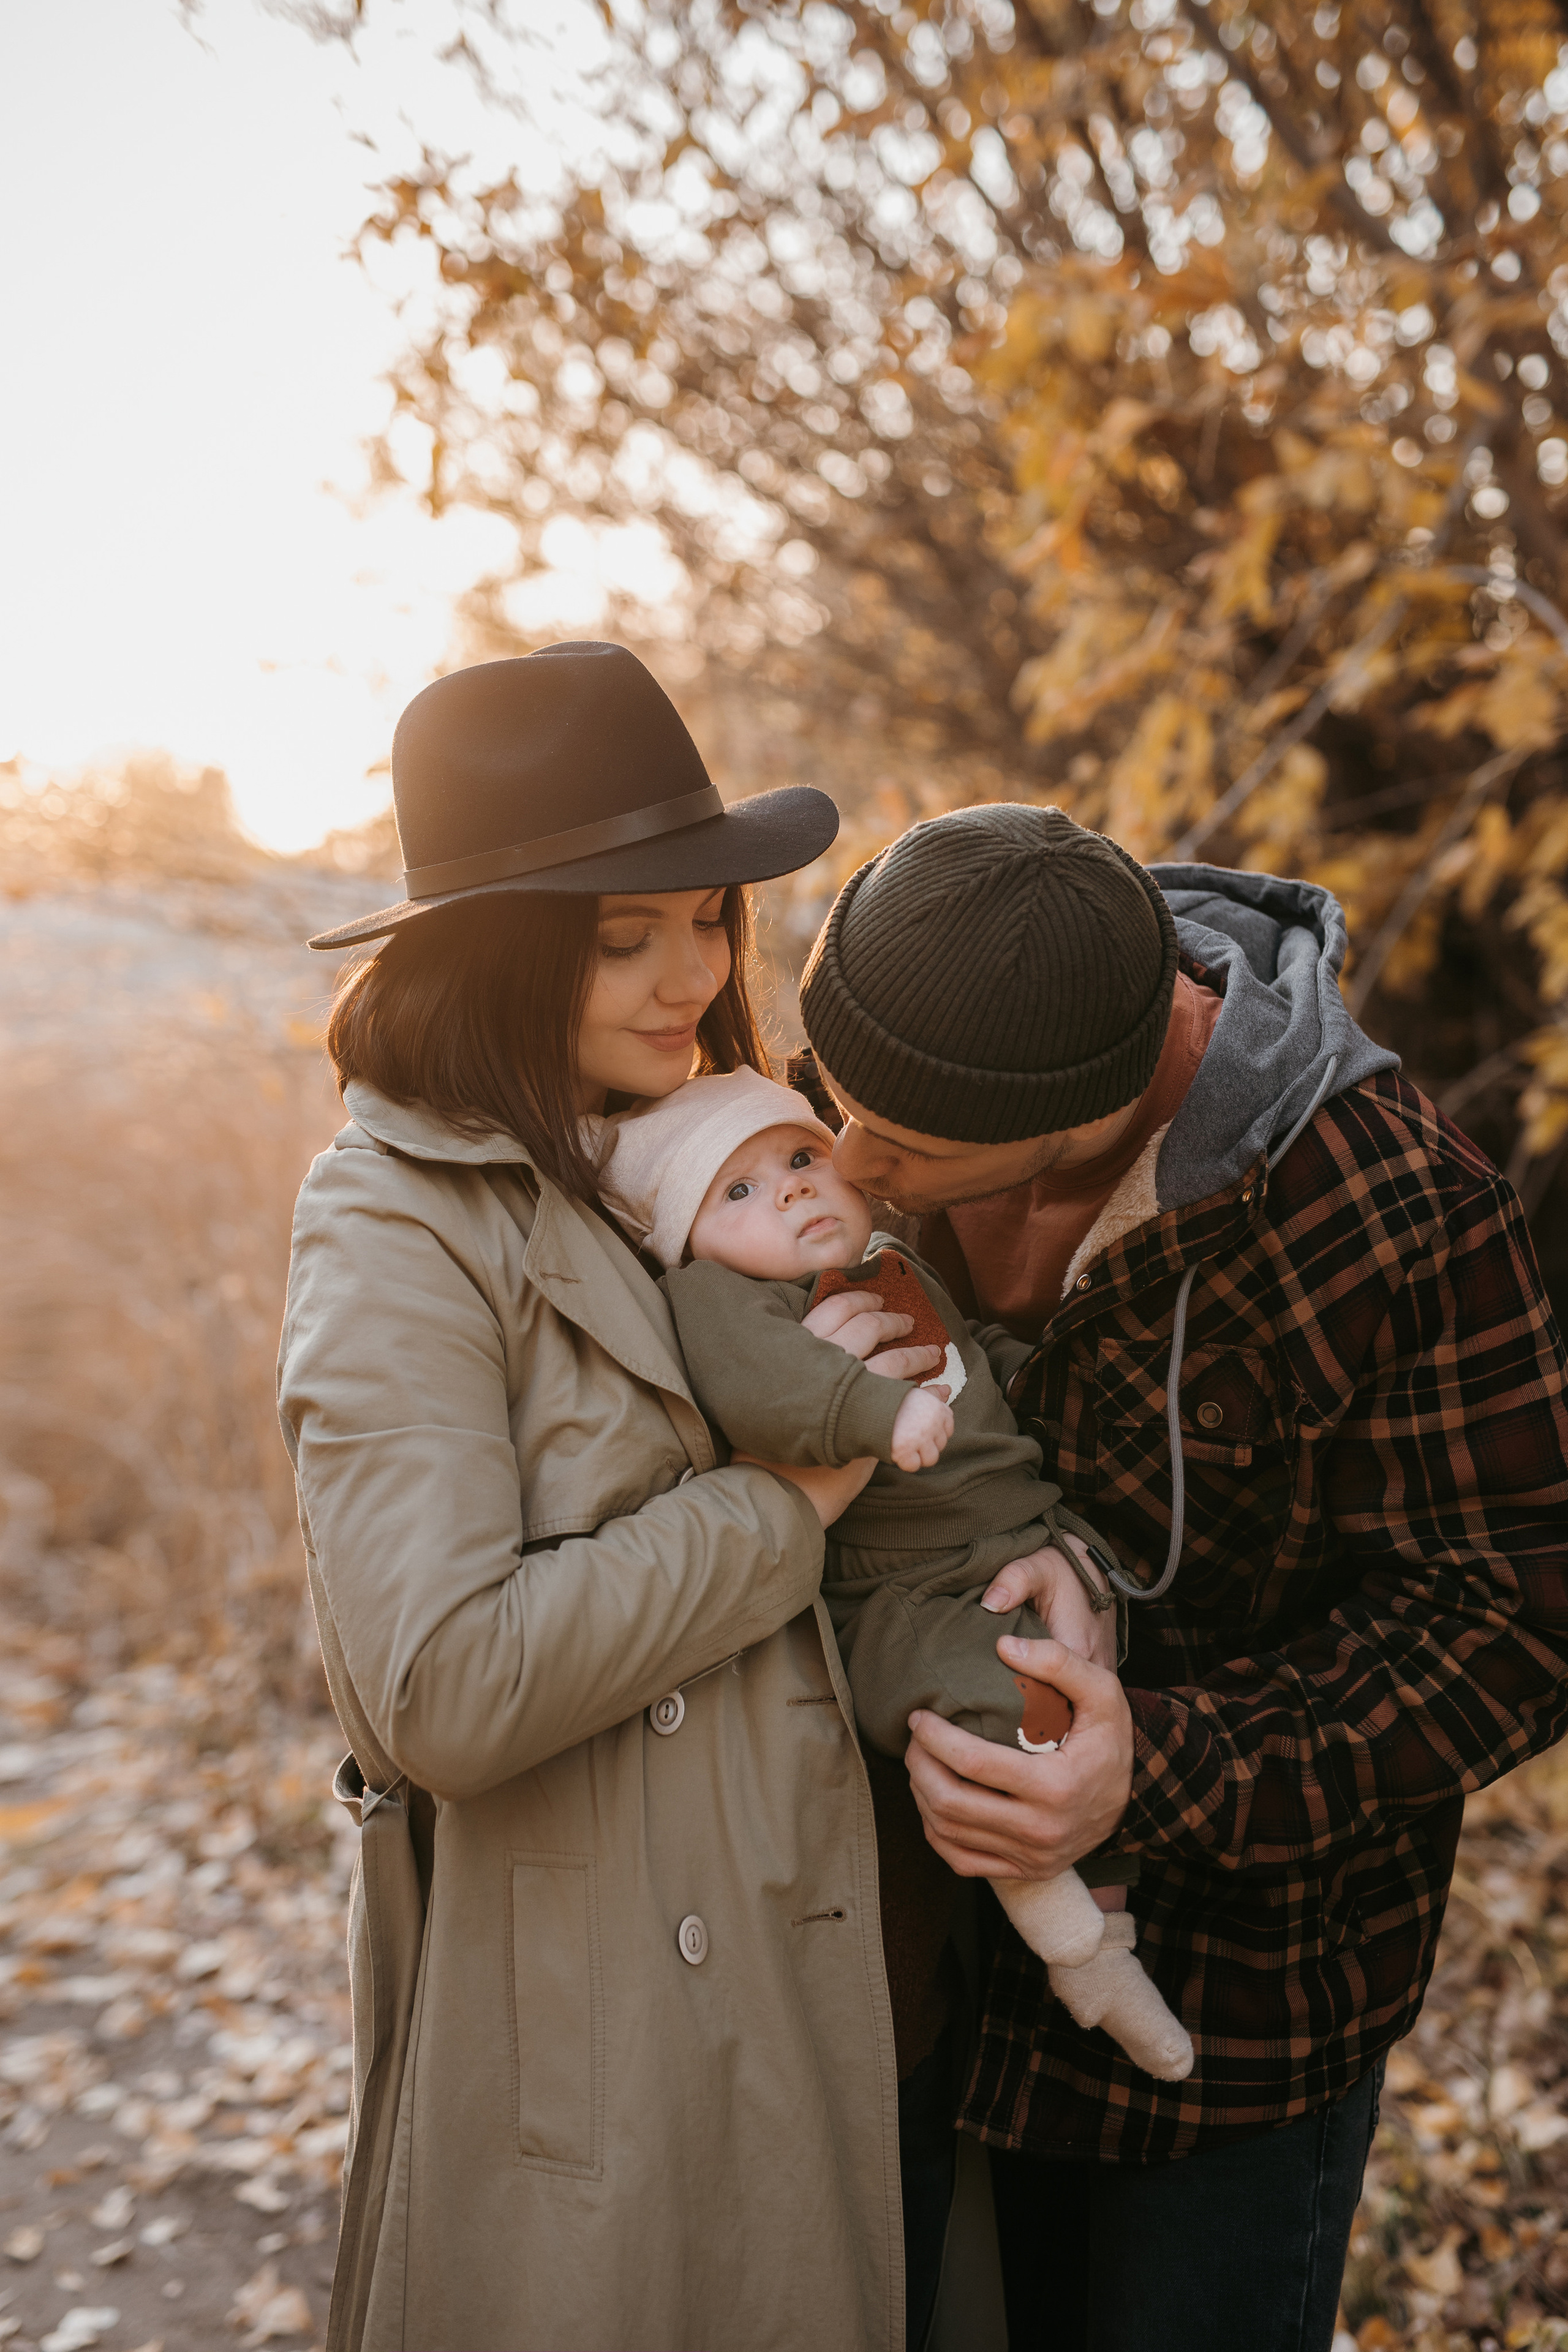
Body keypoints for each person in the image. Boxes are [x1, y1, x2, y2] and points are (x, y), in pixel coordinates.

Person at [277, 644, 986, 2352]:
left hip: (855, 1943)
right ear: (496, 953)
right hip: (616, 2036)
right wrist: (782, 1500)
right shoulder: (395, 1222)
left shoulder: (721, 1149)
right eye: (625, 937)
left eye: (710, 918)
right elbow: (442, 1684)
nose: (694, 974)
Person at [790, 801, 1568, 2352]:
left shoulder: (1390, 1207)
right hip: (910, 1989)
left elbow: (1513, 1625)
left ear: (1094, 1110)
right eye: (835, 1103)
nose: (847, 1165)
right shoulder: (961, 992)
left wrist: (1154, 1767)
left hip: (1229, 2040)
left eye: (909, 1148)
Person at [596, 1062, 1192, 2081]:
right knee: (996, 1711)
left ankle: (1108, 1916)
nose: (788, 1189)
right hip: (902, 1588)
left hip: (1013, 1534)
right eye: (736, 1192)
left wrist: (1017, 1370)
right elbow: (772, 1393)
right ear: (688, 1240)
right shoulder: (722, 1300)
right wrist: (880, 1414)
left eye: (797, 1157)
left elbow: (976, 1355)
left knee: (1093, 1689)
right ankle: (1078, 1945)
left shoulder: (891, 1255)